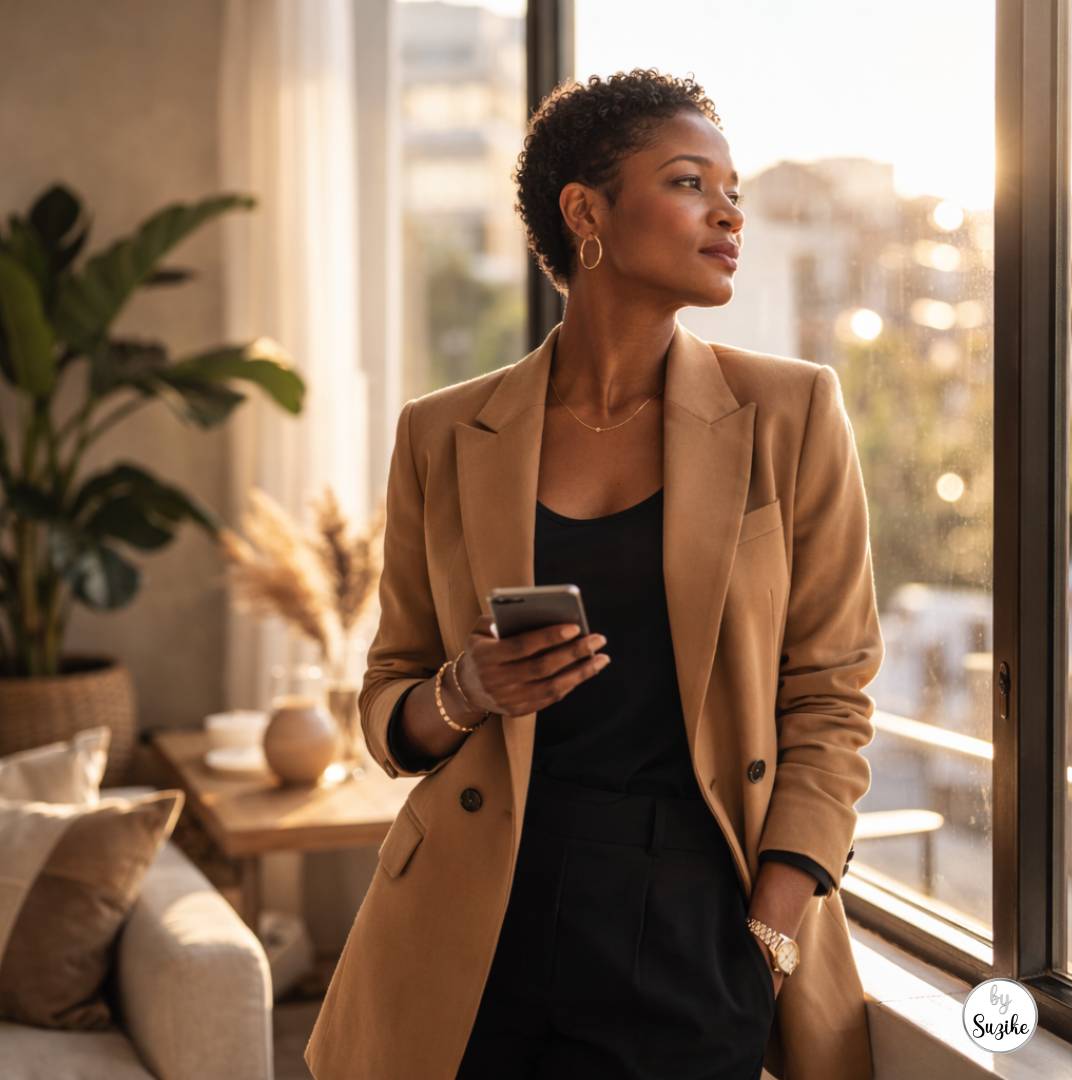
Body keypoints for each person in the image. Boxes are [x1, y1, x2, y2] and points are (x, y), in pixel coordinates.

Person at [305, 68, 884, 1080]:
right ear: (587, 213)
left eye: (733, 189)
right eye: (691, 183)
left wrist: (770, 930)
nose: (729, 212)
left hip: (696, 921)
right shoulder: (442, 433)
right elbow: (388, 702)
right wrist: (465, 690)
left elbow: (832, 697)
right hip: (474, 921)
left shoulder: (792, 414)